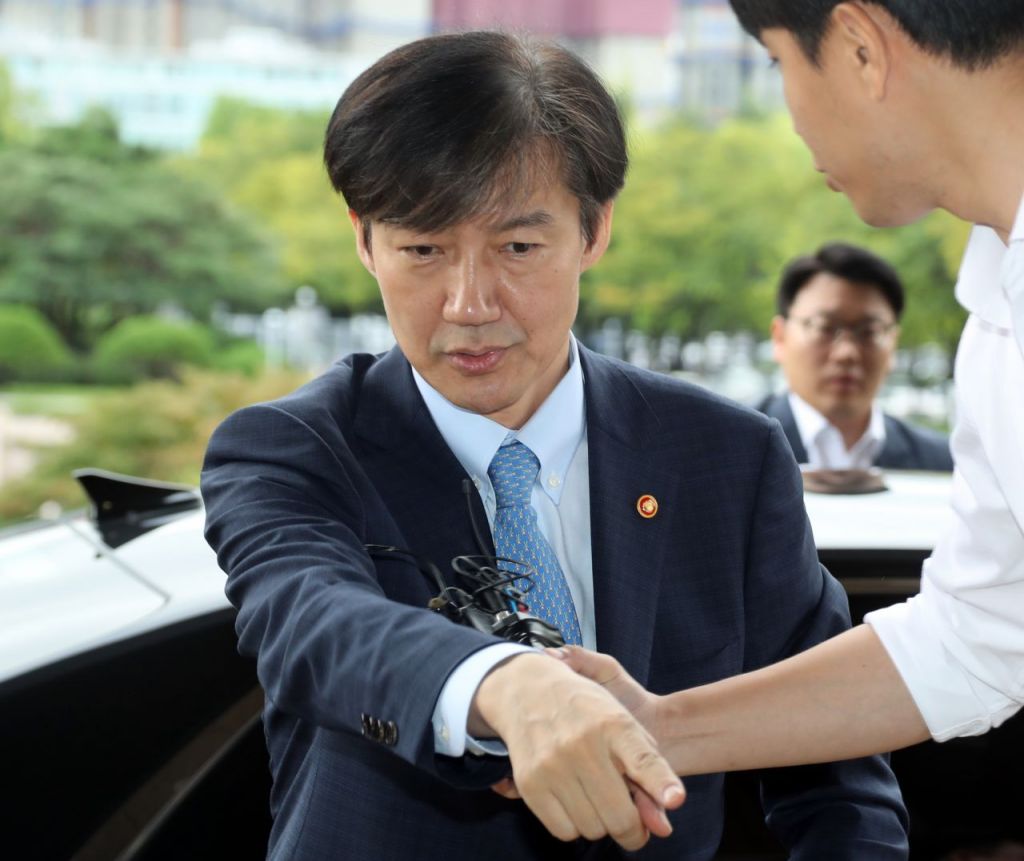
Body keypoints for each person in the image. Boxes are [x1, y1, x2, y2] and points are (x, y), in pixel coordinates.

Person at [201, 30, 908, 860]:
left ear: (594, 231)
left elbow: (832, 765)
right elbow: (313, 620)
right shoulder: (292, 448)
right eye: (423, 249)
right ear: (363, 240)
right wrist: (505, 684)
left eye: (518, 248)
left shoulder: (729, 458)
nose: (469, 303)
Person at [554, 0, 1024, 829]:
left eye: (777, 61)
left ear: (860, 47)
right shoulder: (996, 304)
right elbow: (976, 633)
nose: (790, 112)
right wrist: (657, 726)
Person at [758, 241, 952, 471]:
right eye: (824, 328)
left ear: (893, 343)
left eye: (869, 332)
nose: (847, 353)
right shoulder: (736, 448)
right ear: (780, 337)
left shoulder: (945, 466)